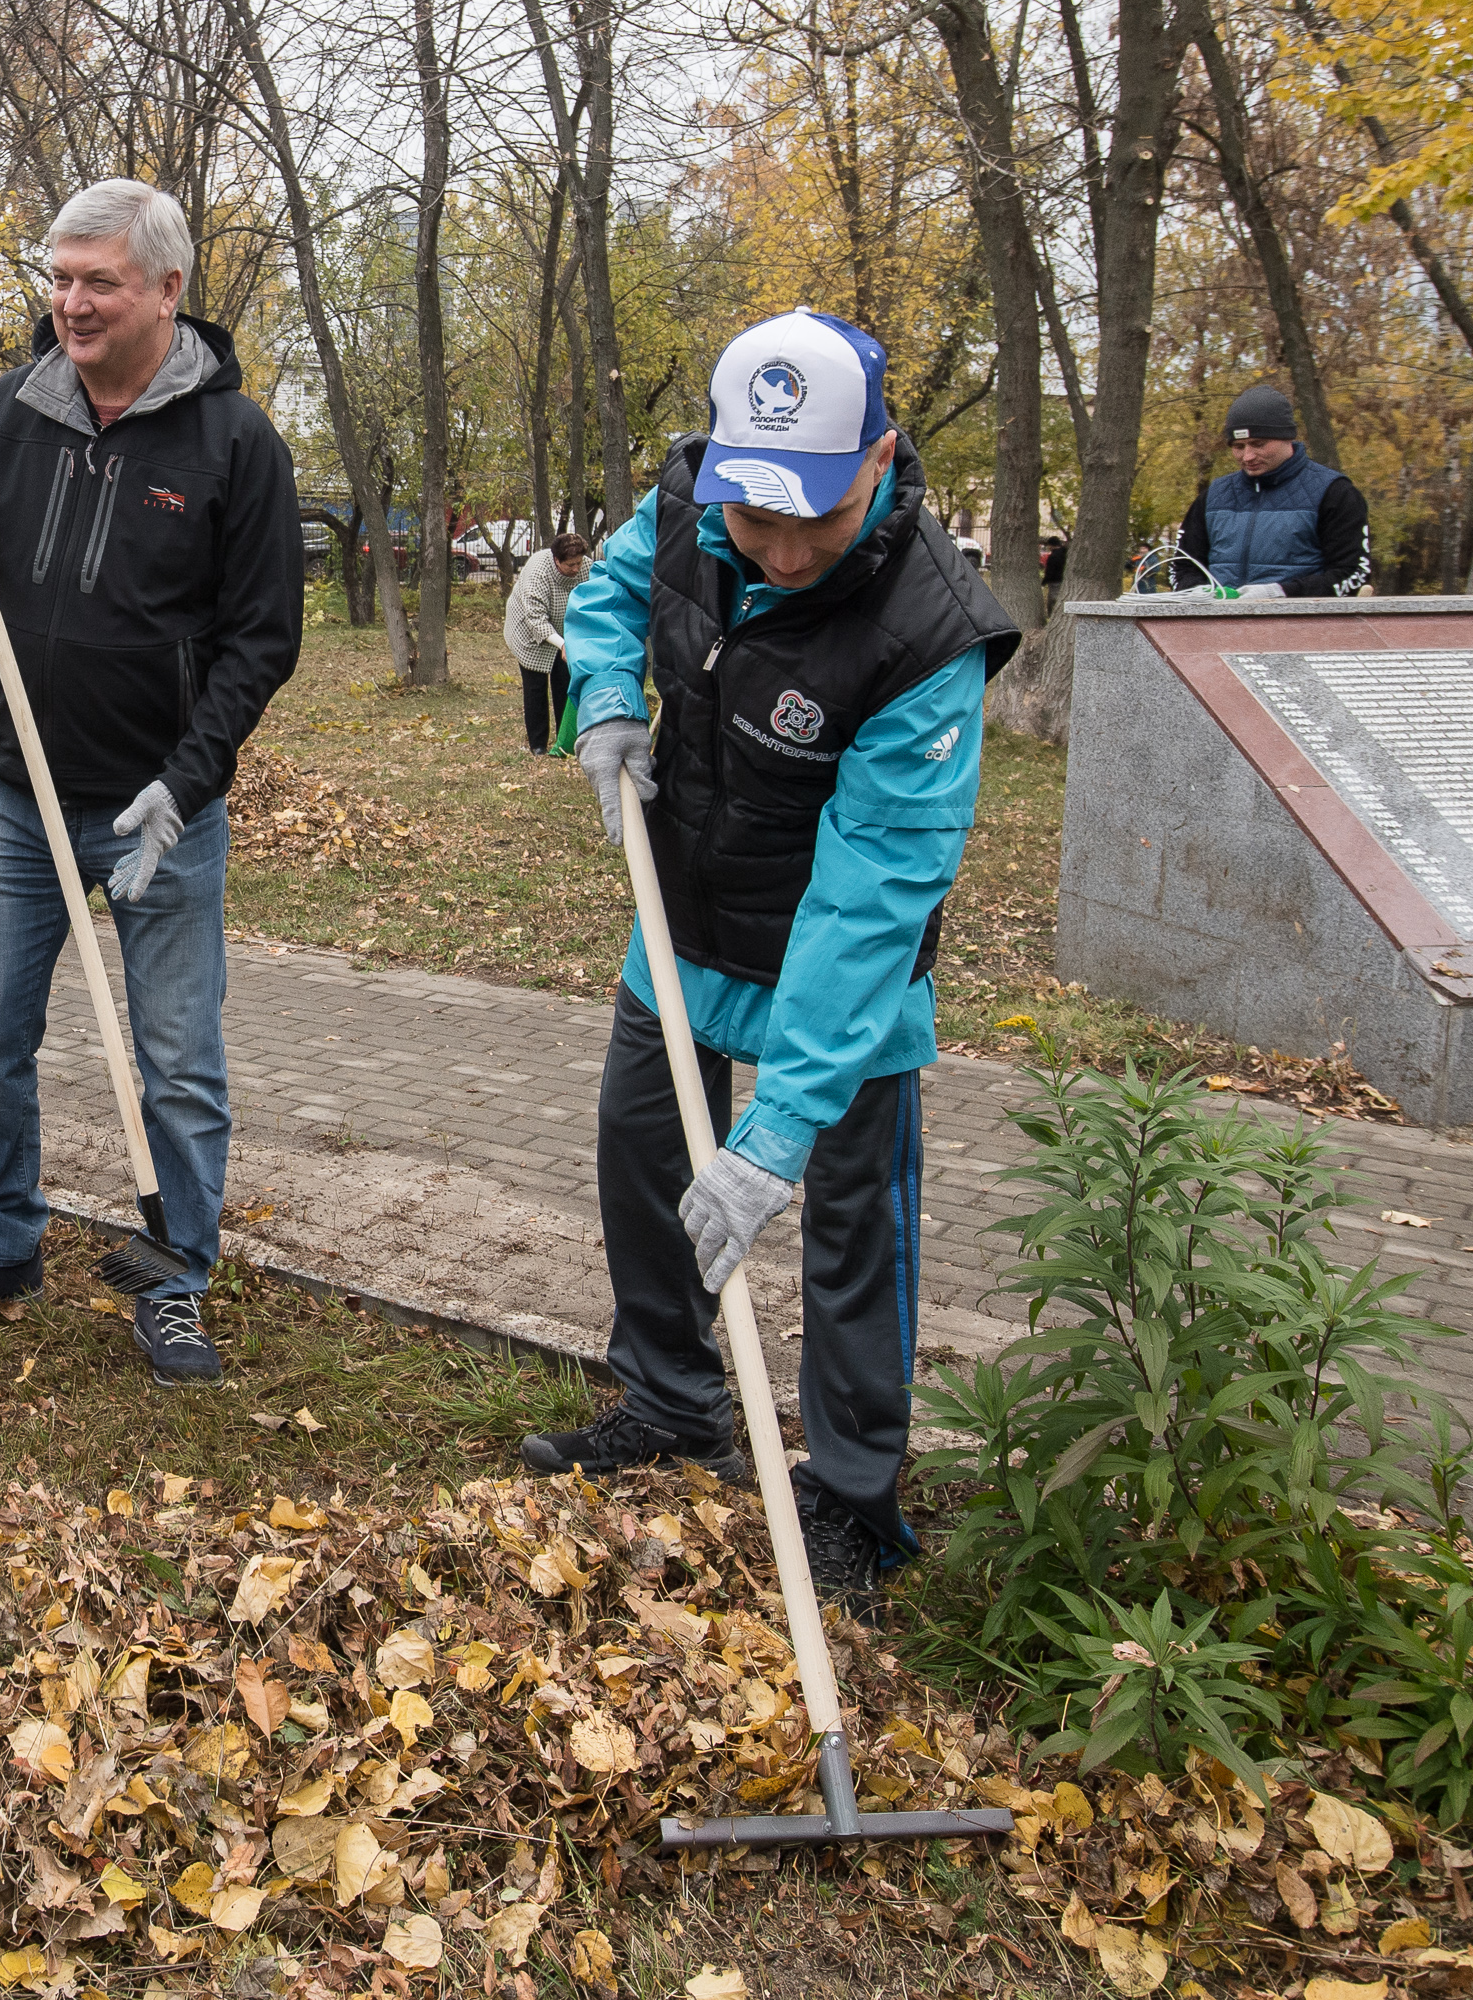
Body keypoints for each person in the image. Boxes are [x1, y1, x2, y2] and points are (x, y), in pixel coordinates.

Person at [516, 310, 1018, 1622]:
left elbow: (874, 897)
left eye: (818, 518)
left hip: (845, 966)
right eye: (760, 520)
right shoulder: (690, 499)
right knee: (645, 1155)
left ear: (883, 457)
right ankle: (674, 1403)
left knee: (852, 1231)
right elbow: (616, 592)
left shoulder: (930, 635)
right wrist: (608, 694)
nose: (785, 554)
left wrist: (780, 1127)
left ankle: (855, 1499)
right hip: (684, 909)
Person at [0, 179, 302, 1386]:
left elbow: (261, 638)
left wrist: (189, 778)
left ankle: (175, 1276)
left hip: (159, 809)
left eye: (98, 281)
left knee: (177, 1057)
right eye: (60, 278)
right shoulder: (7, 411)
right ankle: (1, 1238)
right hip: (16, 789)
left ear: (166, 290)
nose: (70, 302)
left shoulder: (236, 443)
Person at [1177, 383, 1371, 596]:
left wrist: (1280, 593)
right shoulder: (1214, 495)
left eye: (1258, 444)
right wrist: (1195, 592)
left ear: (1287, 438)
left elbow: (1352, 574)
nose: (1247, 456)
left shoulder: (1335, 492)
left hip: (1301, 626)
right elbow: (1182, 566)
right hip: (1218, 626)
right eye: (1238, 447)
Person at [500, 530, 589, 755]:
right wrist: (562, 645)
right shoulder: (538, 573)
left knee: (564, 683)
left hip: (564, 631)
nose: (576, 569)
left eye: (579, 563)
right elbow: (536, 619)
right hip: (528, 631)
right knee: (536, 687)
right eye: (571, 565)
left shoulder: (587, 567)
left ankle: (564, 742)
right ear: (556, 560)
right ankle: (538, 745)